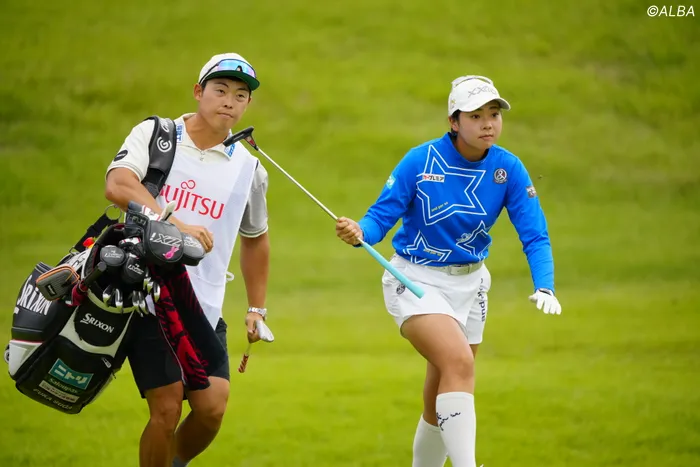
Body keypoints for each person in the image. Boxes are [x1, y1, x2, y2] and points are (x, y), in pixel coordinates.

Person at [335, 75, 562, 467]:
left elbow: (534, 233)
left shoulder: (508, 168)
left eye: (494, 114)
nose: (488, 123)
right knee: (459, 363)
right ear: (453, 122)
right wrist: (360, 233)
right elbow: (379, 218)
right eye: (476, 116)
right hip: (415, 281)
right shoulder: (420, 161)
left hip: (472, 286)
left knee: (439, 393)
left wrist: (545, 286)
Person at [103, 52, 271, 467]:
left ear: (248, 104)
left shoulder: (251, 169)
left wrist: (256, 308)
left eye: (240, 95)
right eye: (220, 90)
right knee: (167, 408)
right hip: (146, 293)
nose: (229, 101)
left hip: (203, 304)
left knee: (212, 408)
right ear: (198, 92)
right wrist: (173, 224)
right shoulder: (157, 135)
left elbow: (255, 239)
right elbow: (118, 184)